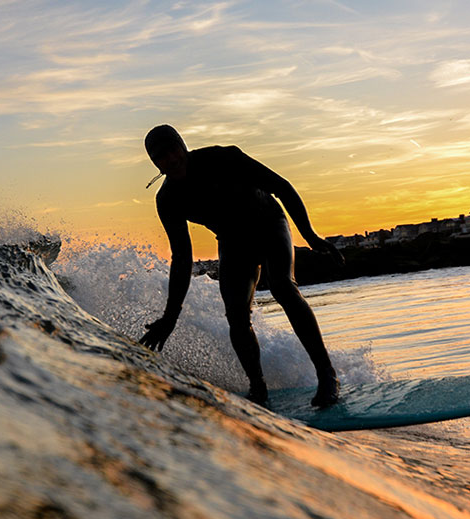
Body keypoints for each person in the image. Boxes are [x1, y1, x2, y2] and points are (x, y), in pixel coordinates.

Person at [138, 124, 344, 408]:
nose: (170, 160)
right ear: (155, 163)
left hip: (269, 224)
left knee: (282, 287)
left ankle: (327, 375)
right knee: (236, 316)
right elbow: (182, 258)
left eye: (172, 150)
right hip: (233, 243)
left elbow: (282, 187)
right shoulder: (168, 199)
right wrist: (170, 318)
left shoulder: (223, 158)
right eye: (160, 157)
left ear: (182, 146)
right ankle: (258, 388)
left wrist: (310, 236)